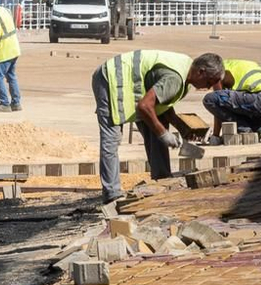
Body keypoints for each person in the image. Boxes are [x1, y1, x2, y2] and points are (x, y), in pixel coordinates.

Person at [92, 49, 225, 204]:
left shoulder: (187, 73)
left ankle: (162, 179)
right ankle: (112, 194)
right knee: (112, 139)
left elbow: (163, 105)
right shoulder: (175, 79)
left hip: (133, 86)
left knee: (158, 124)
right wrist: (163, 134)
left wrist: (180, 127)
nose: (208, 88)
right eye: (208, 82)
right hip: (112, 79)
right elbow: (144, 106)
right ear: (201, 72)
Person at [203, 57, 261, 137]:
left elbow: (217, 101)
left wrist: (216, 135)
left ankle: (245, 128)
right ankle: (259, 128)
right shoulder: (258, 71)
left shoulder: (218, 72)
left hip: (260, 100)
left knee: (210, 99)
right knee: (239, 103)